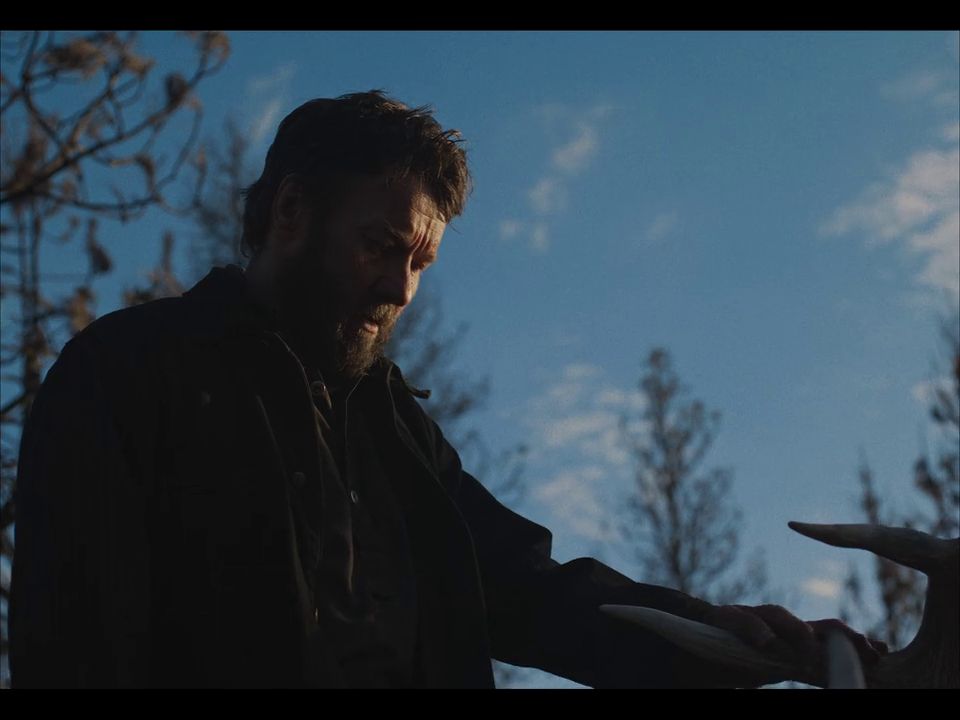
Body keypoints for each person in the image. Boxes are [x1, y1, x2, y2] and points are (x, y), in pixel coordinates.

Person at [9, 90, 884, 688]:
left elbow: (534, 592)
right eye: (380, 245)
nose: (400, 290)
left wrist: (726, 639)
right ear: (290, 214)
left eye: (421, 262)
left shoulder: (396, 435)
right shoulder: (129, 370)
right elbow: (73, 643)